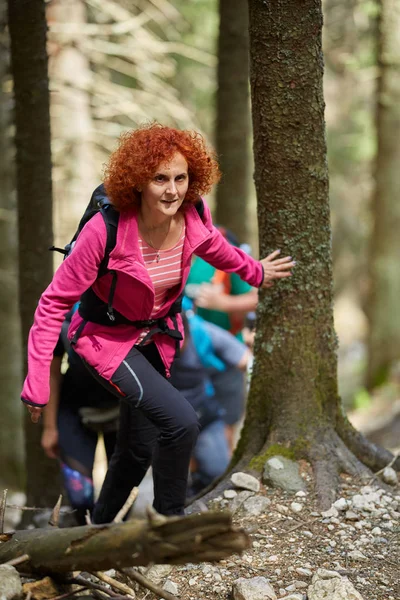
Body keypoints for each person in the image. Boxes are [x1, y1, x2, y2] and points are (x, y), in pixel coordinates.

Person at [21, 122, 295, 522]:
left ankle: (96, 529)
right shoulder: (106, 231)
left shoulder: (194, 214)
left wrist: (254, 271)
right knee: (182, 423)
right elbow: (52, 304)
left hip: (156, 338)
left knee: (136, 450)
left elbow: (215, 247)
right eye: (160, 178)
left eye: (181, 178)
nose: (172, 190)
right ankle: (171, 524)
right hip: (105, 340)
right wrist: (35, 385)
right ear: (137, 181)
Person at [41, 308, 119, 525]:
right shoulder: (64, 318)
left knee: (119, 494)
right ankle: (86, 538)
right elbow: (52, 375)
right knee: (80, 496)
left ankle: (113, 543)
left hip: (123, 408)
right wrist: (49, 428)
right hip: (75, 408)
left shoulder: (131, 310)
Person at [185, 228, 258, 451]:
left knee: (227, 421)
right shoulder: (183, 262)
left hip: (229, 354)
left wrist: (223, 303)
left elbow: (257, 296)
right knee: (189, 421)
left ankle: (224, 474)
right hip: (192, 357)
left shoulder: (231, 261)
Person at [169, 300, 251, 496]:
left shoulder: (202, 333)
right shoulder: (147, 345)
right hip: (166, 418)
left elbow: (246, 360)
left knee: (217, 472)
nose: (175, 349)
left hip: (202, 410)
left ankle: (200, 481)